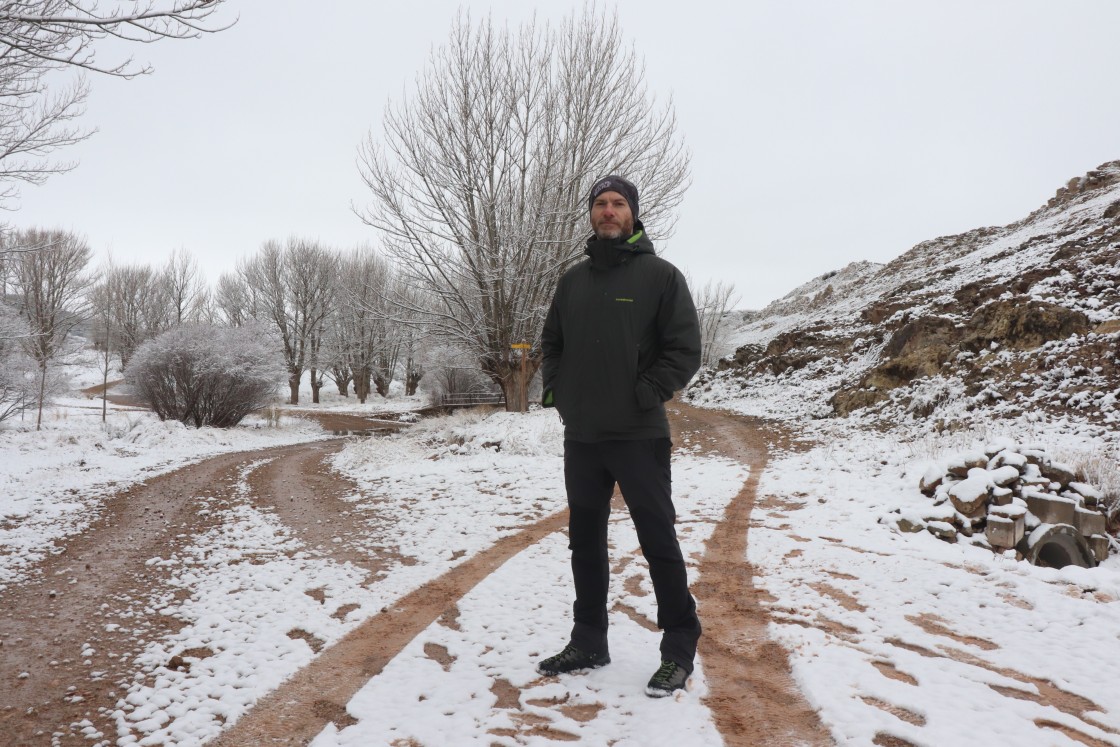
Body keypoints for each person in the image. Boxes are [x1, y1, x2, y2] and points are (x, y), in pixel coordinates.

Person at [537, 175, 703, 697]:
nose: (608, 211)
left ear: (632, 213)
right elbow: (552, 342)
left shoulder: (661, 277)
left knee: (658, 541)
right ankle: (589, 641)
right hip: (582, 436)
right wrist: (560, 394)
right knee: (585, 542)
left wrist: (644, 393)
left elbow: (684, 350)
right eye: (600, 204)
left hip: (637, 435)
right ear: (591, 214)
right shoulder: (573, 281)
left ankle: (678, 647)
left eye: (618, 204)